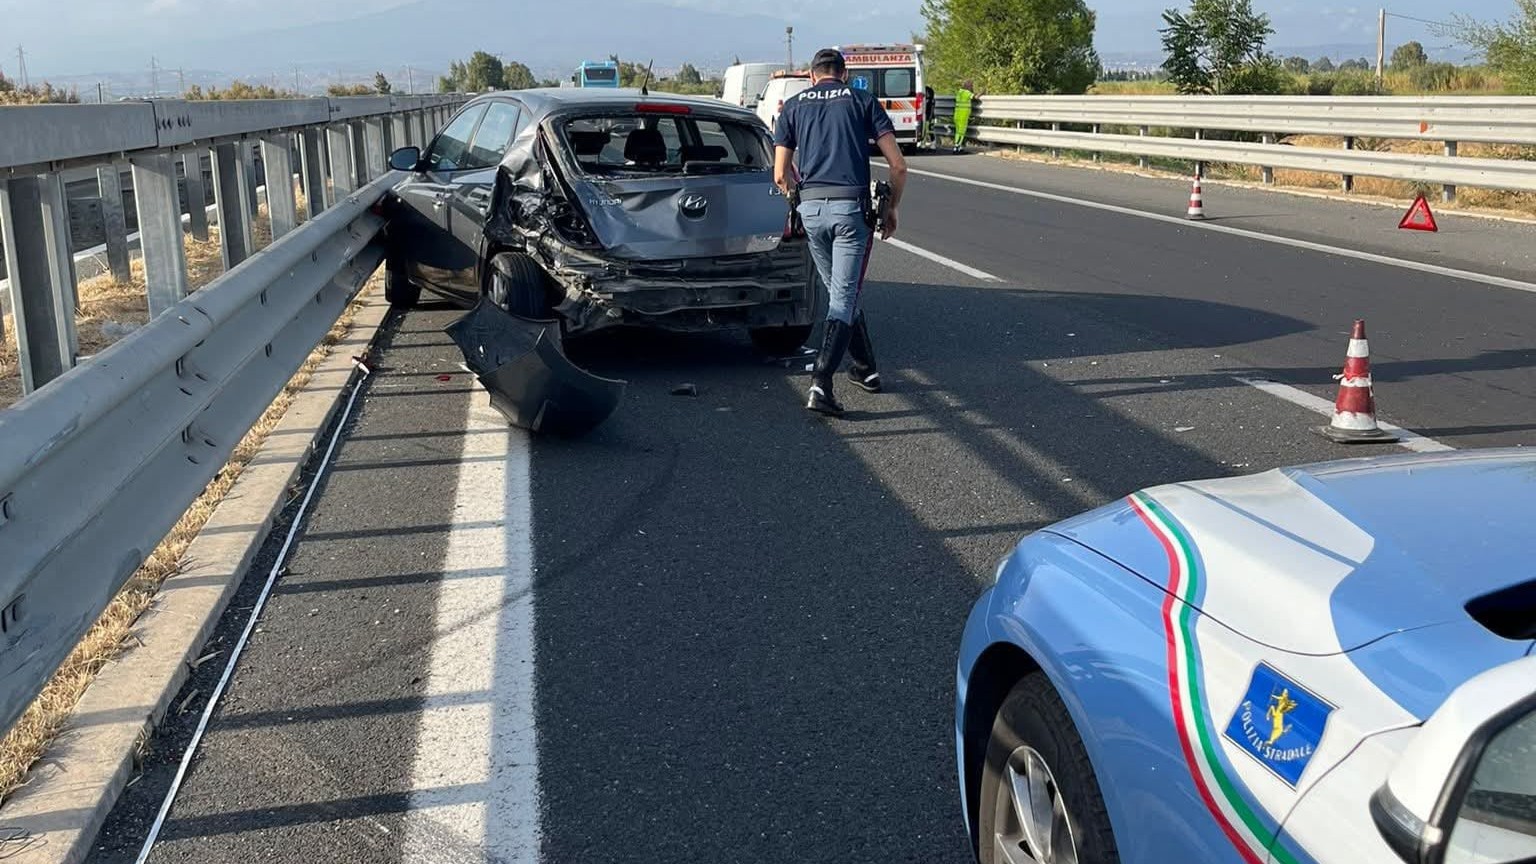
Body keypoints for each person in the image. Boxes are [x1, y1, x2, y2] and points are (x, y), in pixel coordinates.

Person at [773, 48, 909, 416]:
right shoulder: (862, 100)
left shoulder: (794, 105)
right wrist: (892, 207)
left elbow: (781, 173)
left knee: (839, 293)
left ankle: (865, 370)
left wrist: (799, 199)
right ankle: (821, 382)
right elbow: (898, 165)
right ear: (844, 74)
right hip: (851, 210)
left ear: (811, 76)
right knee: (844, 298)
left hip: (811, 211)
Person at [952, 80, 975, 153]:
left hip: (956, 115)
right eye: (971, 86)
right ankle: (956, 147)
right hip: (963, 115)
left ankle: (959, 147)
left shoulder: (959, 92)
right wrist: (982, 92)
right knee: (961, 132)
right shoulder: (967, 93)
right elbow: (975, 97)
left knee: (957, 131)